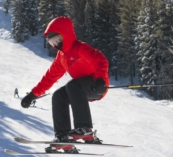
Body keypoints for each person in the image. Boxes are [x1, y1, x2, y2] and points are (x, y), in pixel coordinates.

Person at [21, 16, 109, 144]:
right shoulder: (62, 57)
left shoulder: (80, 48)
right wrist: (33, 95)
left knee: (72, 86)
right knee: (58, 95)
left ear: (65, 35)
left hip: (97, 84)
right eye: (52, 42)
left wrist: (100, 80)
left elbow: (100, 60)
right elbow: (50, 77)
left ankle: (85, 129)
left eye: (57, 40)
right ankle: (63, 136)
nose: (56, 44)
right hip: (79, 89)